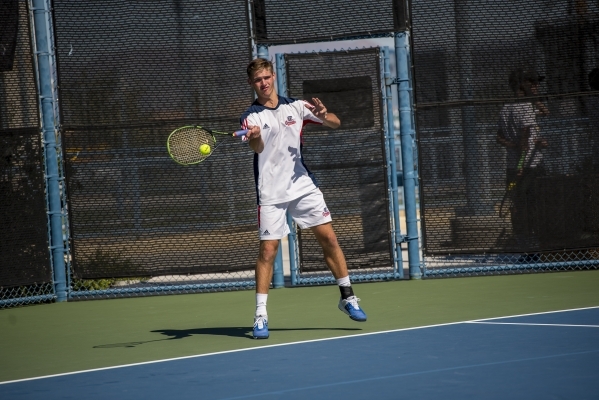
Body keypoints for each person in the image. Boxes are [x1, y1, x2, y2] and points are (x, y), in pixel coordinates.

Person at [240, 58, 367, 339]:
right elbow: (257, 146)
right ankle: (260, 315)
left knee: (330, 239)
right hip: (270, 192)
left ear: (273, 77)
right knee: (268, 251)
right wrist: (255, 136)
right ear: (252, 84)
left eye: (266, 78)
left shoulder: (296, 107)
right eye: (258, 80)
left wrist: (322, 114)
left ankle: (347, 297)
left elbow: (335, 122)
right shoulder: (251, 117)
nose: (263, 83)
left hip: (302, 186)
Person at [496, 68, 548, 254]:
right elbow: (525, 139)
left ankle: (524, 246)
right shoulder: (524, 107)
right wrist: (521, 162)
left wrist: (515, 146)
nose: (536, 86)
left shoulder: (506, 108)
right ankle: (533, 247)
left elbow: (499, 137)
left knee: (518, 206)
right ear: (521, 85)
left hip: (514, 168)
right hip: (528, 168)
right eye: (532, 83)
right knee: (532, 206)